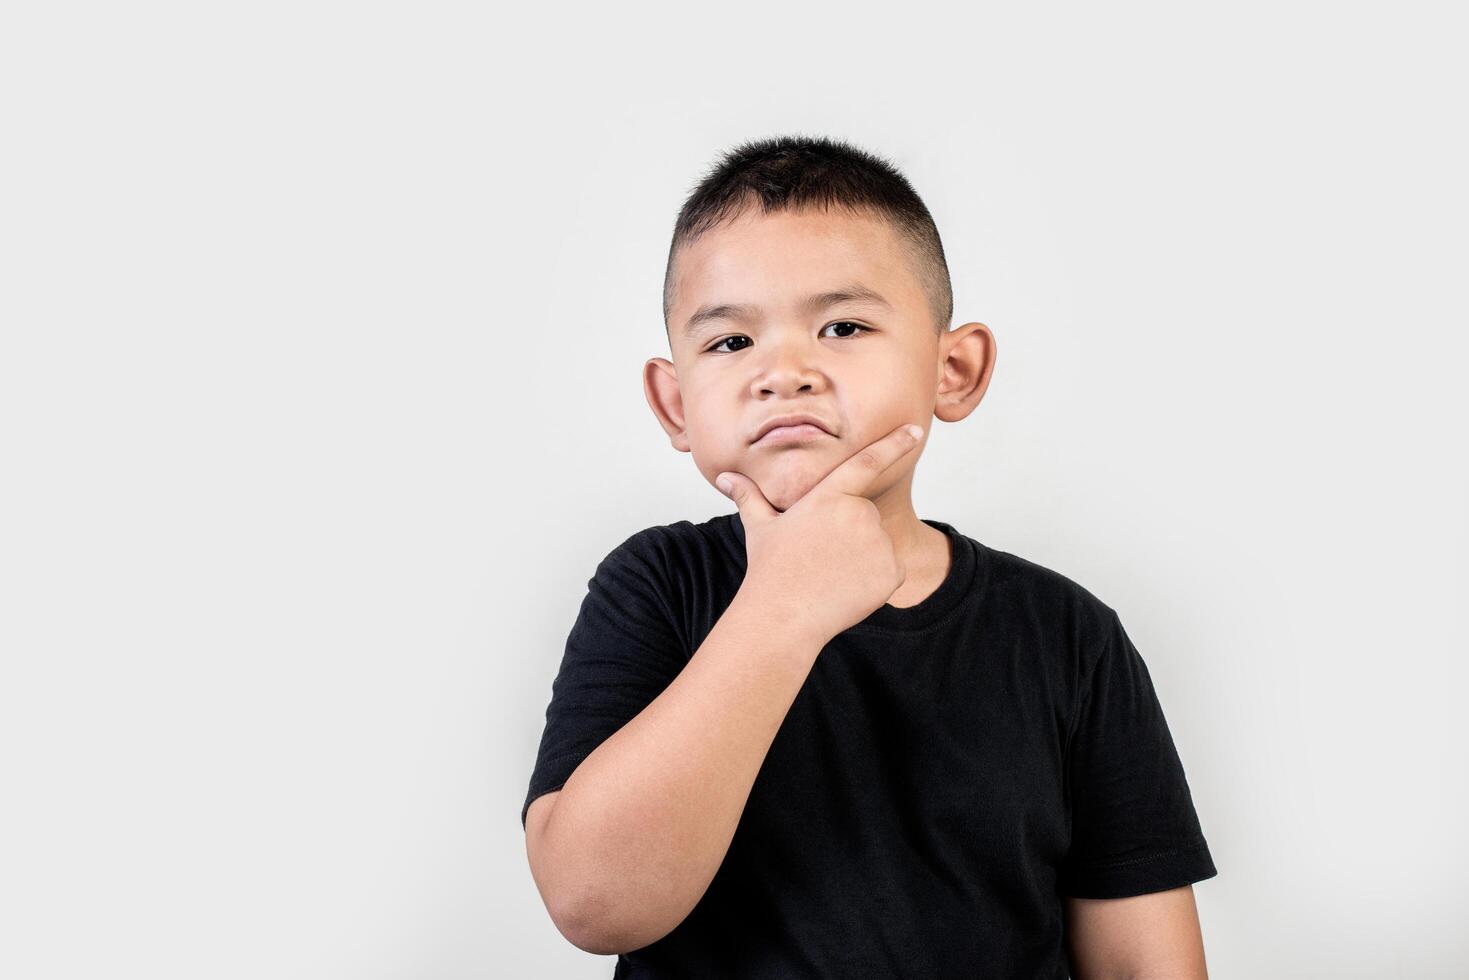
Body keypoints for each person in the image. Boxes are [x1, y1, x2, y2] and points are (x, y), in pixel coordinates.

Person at [521, 134, 1218, 979]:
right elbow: (596, 904)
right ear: (674, 404)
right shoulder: (656, 588)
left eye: (842, 326)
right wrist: (782, 606)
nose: (784, 372)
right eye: (730, 342)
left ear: (952, 369)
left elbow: (1145, 962)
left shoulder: (1067, 635)